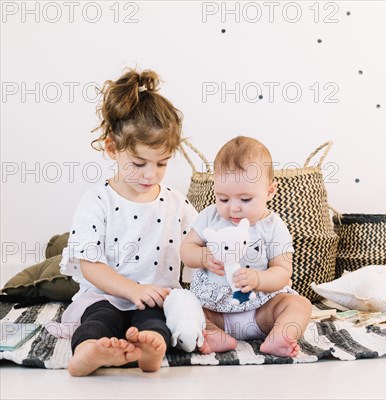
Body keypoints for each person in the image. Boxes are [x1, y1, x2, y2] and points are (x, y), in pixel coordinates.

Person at [59, 68, 197, 376]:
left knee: (155, 323)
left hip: (154, 300)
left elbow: (195, 247)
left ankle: (151, 352)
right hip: (104, 296)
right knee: (97, 320)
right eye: (139, 163)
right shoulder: (97, 201)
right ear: (112, 148)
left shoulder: (177, 204)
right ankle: (87, 352)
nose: (151, 174)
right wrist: (131, 289)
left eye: (161, 163)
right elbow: (89, 265)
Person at [181, 136, 312, 358]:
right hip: (214, 310)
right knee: (185, 307)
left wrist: (258, 280)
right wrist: (203, 256)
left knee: (300, 304)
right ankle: (213, 334)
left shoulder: (273, 226)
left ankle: (279, 336)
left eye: (245, 199)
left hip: (261, 310)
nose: (233, 208)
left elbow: (283, 270)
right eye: (223, 199)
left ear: (270, 191)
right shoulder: (208, 217)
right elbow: (186, 250)